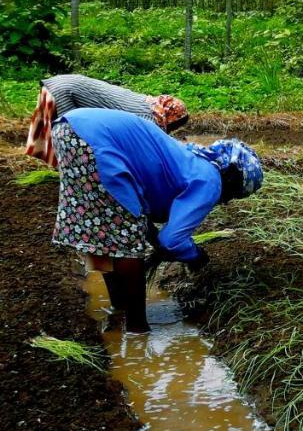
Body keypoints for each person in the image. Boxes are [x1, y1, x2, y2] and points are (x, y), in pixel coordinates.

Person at [49, 107, 263, 333]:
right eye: (234, 194)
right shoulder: (210, 181)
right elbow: (172, 240)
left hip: (70, 128)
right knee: (127, 243)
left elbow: (145, 223)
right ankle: (137, 327)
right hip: (93, 139)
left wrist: (156, 242)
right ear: (232, 180)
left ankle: (119, 306)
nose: (227, 201)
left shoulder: (192, 162)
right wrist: (196, 256)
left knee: (109, 232)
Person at [26, 74, 189, 167]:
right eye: (174, 126)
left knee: (64, 134)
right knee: (71, 136)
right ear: (170, 119)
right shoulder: (147, 119)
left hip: (61, 83)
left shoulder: (149, 103)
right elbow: (148, 148)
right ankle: (73, 173)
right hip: (65, 91)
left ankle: (65, 169)